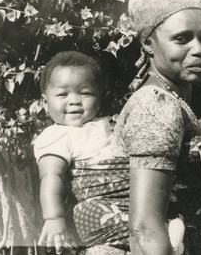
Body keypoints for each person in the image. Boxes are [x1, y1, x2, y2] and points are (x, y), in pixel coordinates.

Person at [111, 0, 201, 254]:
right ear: (149, 44)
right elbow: (144, 227)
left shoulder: (171, 99)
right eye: (182, 38)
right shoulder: (156, 105)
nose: (199, 49)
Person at [33, 51, 130, 255]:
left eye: (85, 93)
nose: (74, 100)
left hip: (125, 200)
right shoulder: (56, 135)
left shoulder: (107, 124)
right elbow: (51, 176)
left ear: (99, 97)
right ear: (44, 102)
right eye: (62, 94)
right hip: (96, 210)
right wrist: (54, 218)